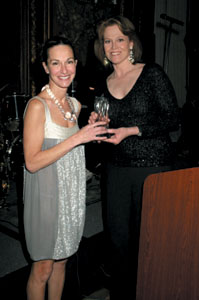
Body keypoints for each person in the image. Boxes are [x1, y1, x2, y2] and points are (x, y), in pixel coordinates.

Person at [89, 16, 180, 300]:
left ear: (131, 42)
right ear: (101, 47)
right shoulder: (104, 84)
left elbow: (173, 119)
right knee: (117, 240)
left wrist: (132, 130)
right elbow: (107, 125)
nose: (113, 46)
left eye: (119, 39)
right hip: (116, 168)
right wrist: (97, 123)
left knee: (150, 240)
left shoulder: (151, 73)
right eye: (107, 40)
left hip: (153, 167)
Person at [23, 36, 108, 300]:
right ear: (45, 67)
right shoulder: (37, 107)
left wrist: (91, 131)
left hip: (71, 195)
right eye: (56, 63)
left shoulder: (75, 105)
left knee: (62, 262)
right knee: (43, 268)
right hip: (47, 197)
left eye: (69, 61)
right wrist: (78, 137)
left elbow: (73, 147)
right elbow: (32, 162)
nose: (64, 70)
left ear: (76, 64)